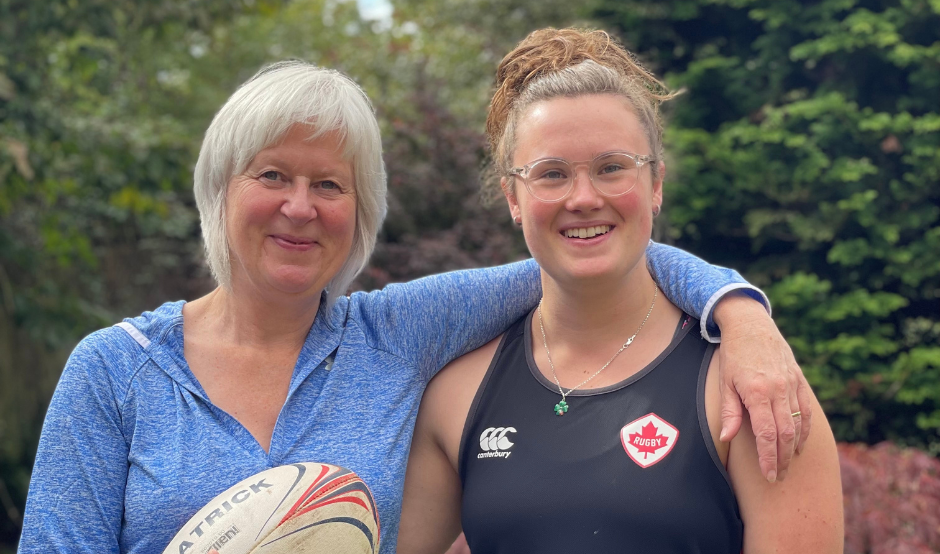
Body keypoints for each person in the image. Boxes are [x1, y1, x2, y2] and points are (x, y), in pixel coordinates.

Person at [19, 61, 812, 554]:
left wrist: (740, 311)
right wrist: (740, 306)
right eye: (271, 176)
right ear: (216, 189)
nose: (300, 207)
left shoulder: (396, 333)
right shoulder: (116, 370)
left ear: (359, 212)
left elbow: (589, 250)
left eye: (329, 185)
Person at [397, 28, 843, 553]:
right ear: (513, 197)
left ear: (656, 184)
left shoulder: (752, 388)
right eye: (551, 174)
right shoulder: (456, 396)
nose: (583, 198)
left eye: (612, 168)